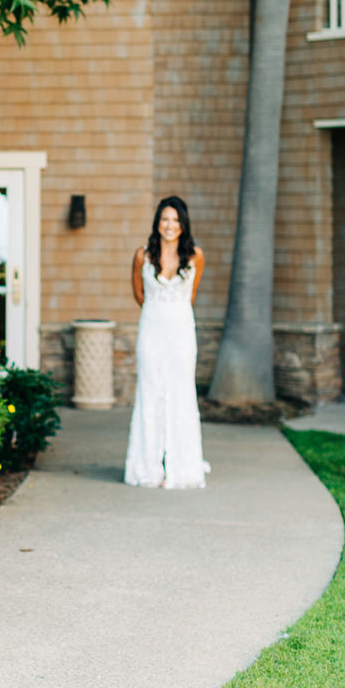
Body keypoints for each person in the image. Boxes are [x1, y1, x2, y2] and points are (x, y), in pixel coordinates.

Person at [123, 196, 209, 490]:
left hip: (182, 333)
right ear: (157, 223)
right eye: (164, 219)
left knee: (181, 394)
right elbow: (139, 294)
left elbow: (192, 295)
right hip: (151, 332)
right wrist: (158, 311)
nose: (169, 225)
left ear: (183, 225)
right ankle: (148, 468)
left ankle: (182, 466)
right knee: (150, 394)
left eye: (175, 220)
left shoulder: (195, 256)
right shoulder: (142, 256)